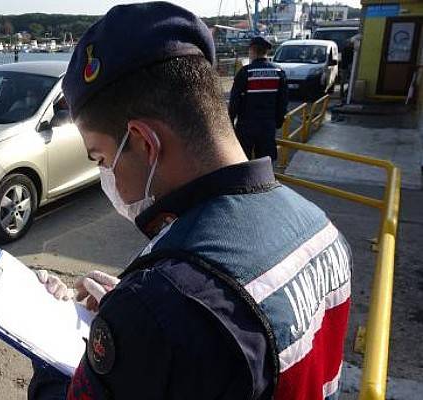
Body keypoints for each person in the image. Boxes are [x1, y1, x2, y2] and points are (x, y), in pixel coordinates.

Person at [28, 2, 353, 400]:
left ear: (145, 142)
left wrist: (45, 338)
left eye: (100, 158)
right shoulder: (321, 227)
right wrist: (134, 316)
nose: (105, 177)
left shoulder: (161, 305)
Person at [229, 36, 288, 161]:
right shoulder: (278, 72)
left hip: (246, 127)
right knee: (265, 163)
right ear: (266, 52)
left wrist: (230, 123)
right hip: (268, 126)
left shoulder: (245, 72)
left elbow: (234, 101)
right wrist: (277, 122)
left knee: (243, 161)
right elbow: (282, 101)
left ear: (252, 50)